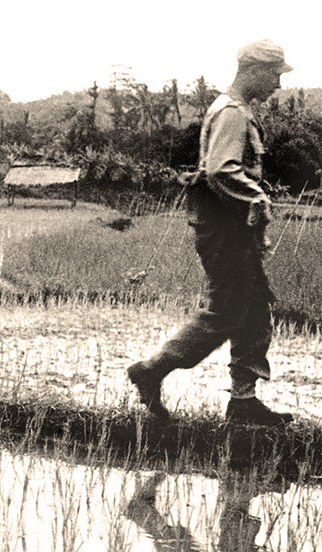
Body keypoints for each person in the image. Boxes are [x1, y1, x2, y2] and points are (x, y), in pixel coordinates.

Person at [127, 39, 294, 426]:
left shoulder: (236, 111)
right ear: (252, 70)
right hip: (225, 229)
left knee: (253, 310)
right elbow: (222, 170)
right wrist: (258, 199)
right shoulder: (232, 113)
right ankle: (151, 370)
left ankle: (244, 400)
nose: (278, 86)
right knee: (226, 311)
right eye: (274, 75)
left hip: (229, 227)